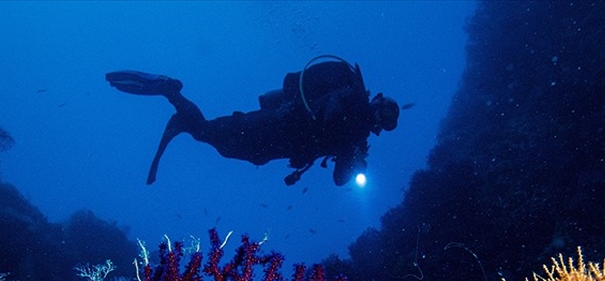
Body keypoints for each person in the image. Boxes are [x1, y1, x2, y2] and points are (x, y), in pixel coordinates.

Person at [106, 56, 399, 186]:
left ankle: (177, 108)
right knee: (209, 134)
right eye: (385, 111)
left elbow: (338, 176)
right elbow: (340, 177)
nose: (381, 118)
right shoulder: (353, 109)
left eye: (387, 121)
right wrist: (354, 153)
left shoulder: (354, 129)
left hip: (271, 142)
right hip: (273, 130)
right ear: (377, 99)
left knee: (213, 138)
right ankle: (172, 94)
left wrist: (355, 154)